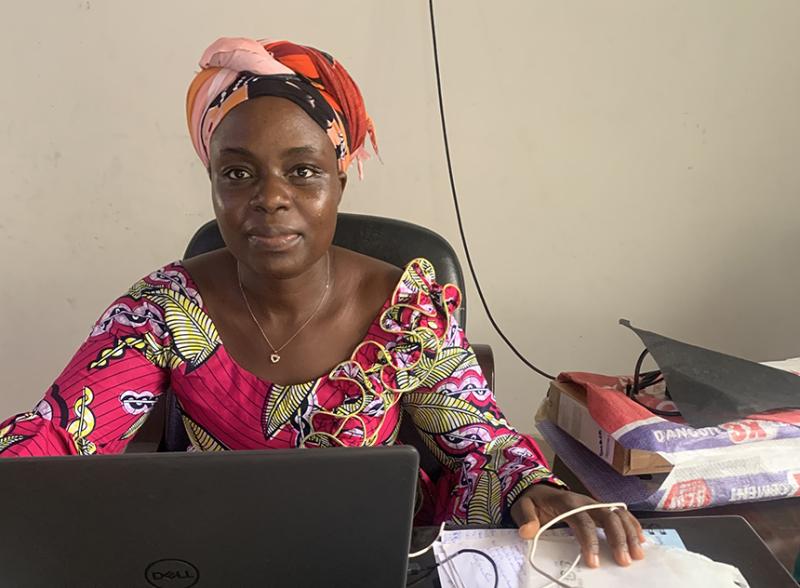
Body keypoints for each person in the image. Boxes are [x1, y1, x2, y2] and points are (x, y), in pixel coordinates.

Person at [0, 36, 644, 568]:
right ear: (214, 184)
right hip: (212, 558)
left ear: (341, 175)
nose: (270, 197)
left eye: (302, 170)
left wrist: (537, 487)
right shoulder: (164, 308)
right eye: (237, 172)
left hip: (374, 561)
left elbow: (479, 444)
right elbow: (57, 432)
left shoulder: (406, 308)